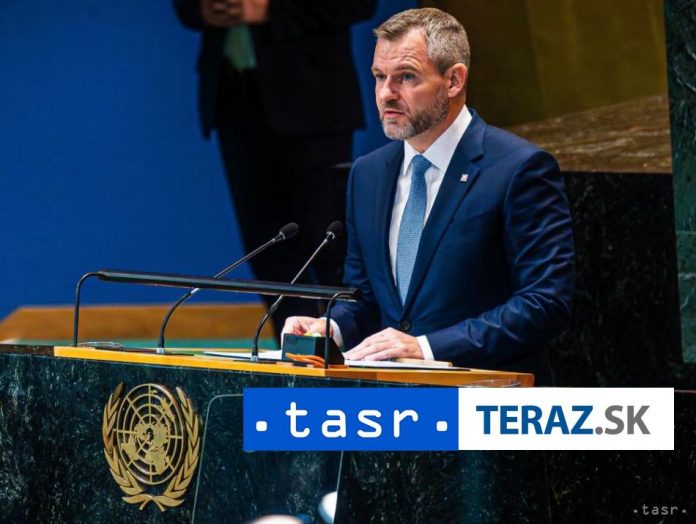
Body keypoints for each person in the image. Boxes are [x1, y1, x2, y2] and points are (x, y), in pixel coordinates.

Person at [282, 8, 575, 380]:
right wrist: (331, 327)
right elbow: (365, 298)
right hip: (392, 403)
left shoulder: (519, 169)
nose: (386, 94)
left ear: (454, 80)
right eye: (379, 76)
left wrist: (427, 348)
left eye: (406, 77)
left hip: (487, 396)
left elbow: (544, 303)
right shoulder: (368, 174)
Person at [173, 0, 377, 335]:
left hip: (311, 97)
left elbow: (361, 4)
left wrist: (273, 9)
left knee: (327, 240)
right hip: (234, 96)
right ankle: (293, 346)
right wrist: (201, 10)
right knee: (267, 244)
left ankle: (351, 344)